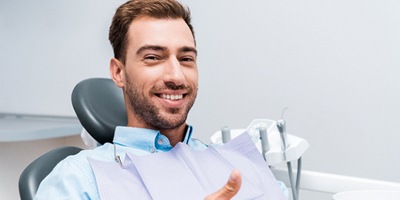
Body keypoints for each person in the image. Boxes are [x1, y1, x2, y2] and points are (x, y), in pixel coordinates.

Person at [34, 0, 285, 199]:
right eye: (154, 57)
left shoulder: (242, 165)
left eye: (186, 59)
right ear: (118, 72)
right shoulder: (80, 178)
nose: (176, 76)